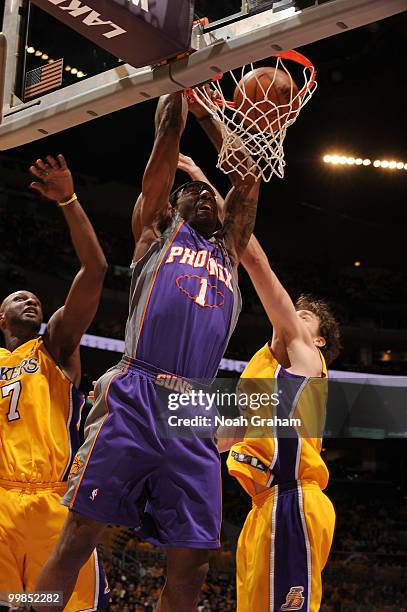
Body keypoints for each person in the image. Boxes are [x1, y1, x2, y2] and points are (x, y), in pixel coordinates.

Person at [35, 92, 260, 612]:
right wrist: (180, 89)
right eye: (192, 192)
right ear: (164, 208)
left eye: (209, 193)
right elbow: (165, 137)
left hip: (194, 411)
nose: (203, 195)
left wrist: (209, 110)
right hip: (137, 390)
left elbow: (246, 179)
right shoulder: (157, 233)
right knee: (77, 537)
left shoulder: (229, 251)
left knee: (192, 566)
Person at [177, 150, 341, 611]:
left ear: (321, 341)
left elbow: (252, 256)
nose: (292, 315)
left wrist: (202, 180)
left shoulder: (306, 357)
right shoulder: (260, 369)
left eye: (304, 316)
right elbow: (226, 437)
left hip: (294, 499)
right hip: (262, 509)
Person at [0, 155, 108, 610]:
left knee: (52, 605)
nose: (31, 300)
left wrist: (68, 200)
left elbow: (95, 269)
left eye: (37, 299)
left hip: (48, 501)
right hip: (0, 505)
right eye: (19, 296)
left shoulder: (55, 348)